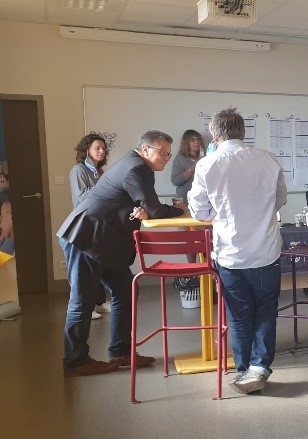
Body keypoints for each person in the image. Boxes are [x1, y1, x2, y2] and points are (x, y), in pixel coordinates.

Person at [57, 130, 184, 377]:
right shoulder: (137, 168)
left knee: (126, 290)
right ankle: (75, 361)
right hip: (86, 238)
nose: (166, 158)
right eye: (162, 152)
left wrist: (142, 209)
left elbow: (139, 205)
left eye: (169, 154)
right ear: (145, 149)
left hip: (104, 242)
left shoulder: (136, 165)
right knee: (82, 300)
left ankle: (121, 351)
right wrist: (181, 209)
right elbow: (154, 209)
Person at [189, 107, 287, 395]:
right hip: (266, 251)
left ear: (215, 135)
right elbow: (280, 200)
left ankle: (244, 370)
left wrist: (220, 213)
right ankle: (260, 367)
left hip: (230, 254)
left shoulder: (207, 164)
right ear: (243, 132)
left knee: (239, 314)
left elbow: (200, 212)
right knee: (266, 311)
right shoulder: (268, 159)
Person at [69, 133, 111, 320]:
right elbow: (81, 197)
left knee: (98, 264)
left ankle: (99, 302)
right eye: (97, 148)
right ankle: (88, 306)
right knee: (84, 270)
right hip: (84, 223)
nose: (101, 151)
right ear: (87, 150)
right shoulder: (78, 170)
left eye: (103, 149)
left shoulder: (99, 172)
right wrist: (104, 189)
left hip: (98, 223)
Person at [171, 129, 204, 202]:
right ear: (186, 142)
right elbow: (175, 182)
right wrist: (192, 169)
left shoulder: (205, 158)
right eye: (193, 140)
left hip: (201, 199)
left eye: (198, 139)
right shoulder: (179, 158)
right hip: (183, 199)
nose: (197, 142)